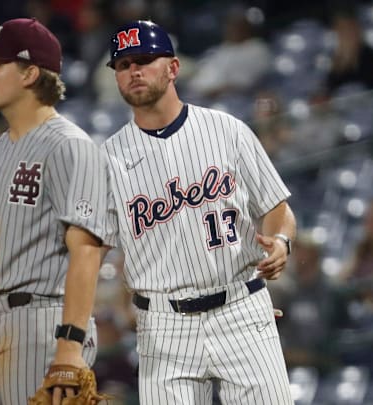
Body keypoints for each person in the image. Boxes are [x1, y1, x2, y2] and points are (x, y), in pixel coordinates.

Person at [101, 20, 297, 404]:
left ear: (173, 68)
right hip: (163, 325)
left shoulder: (227, 130)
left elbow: (278, 209)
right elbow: (90, 248)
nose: (133, 71)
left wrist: (282, 242)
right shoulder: (107, 160)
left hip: (241, 307)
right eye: (123, 65)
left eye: (143, 60)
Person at [0, 18, 110, 405]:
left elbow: (87, 250)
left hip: (41, 323)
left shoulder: (69, 146)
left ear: (30, 74)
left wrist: (70, 347)